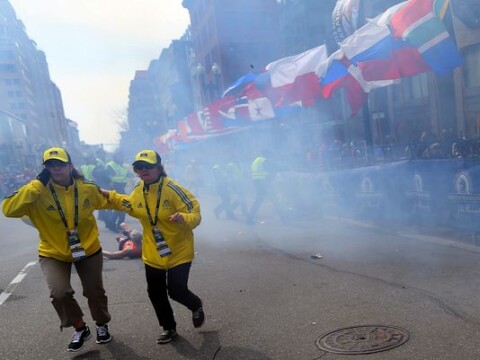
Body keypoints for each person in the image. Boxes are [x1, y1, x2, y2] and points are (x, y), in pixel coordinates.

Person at [2, 147, 113, 352]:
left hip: (87, 248)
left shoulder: (86, 187)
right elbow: (8, 209)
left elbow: (108, 200)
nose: (56, 168)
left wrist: (137, 209)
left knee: (94, 291)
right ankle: (80, 328)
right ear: (45, 169)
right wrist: (37, 183)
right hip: (52, 251)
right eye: (50, 165)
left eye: (61, 164)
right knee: (60, 293)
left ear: (70, 165)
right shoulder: (37, 190)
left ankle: (102, 325)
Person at [102, 149, 204, 344]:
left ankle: (196, 305)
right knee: (155, 292)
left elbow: (195, 214)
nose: (143, 170)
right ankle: (169, 327)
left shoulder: (173, 189)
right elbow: (128, 204)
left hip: (179, 250)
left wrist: (184, 218)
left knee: (176, 291)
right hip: (153, 251)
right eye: (139, 167)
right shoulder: (139, 190)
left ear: (158, 167)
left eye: (148, 166)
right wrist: (106, 194)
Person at [246, 149, 287, 225]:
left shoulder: (255, 161)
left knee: (258, 201)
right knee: (275, 200)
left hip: (257, 183)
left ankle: (248, 219)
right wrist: (286, 168)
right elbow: (274, 167)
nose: (270, 156)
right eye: (269, 154)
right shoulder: (264, 161)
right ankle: (284, 219)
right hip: (264, 183)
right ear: (267, 154)